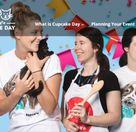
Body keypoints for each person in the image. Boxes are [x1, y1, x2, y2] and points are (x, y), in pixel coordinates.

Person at [0, 2, 62, 132]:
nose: (40, 37)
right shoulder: (2, 63)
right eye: (34, 32)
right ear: (18, 33)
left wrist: (36, 70)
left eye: (41, 32)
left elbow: (50, 108)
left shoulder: (50, 59)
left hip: (46, 126)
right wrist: (18, 92)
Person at [61, 27, 121, 132]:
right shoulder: (69, 76)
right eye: (75, 44)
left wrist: (87, 119)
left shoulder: (108, 77)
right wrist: (66, 122)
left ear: (95, 47)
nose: (76, 48)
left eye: (82, 43)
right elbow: (63, 111)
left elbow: (115, 117)